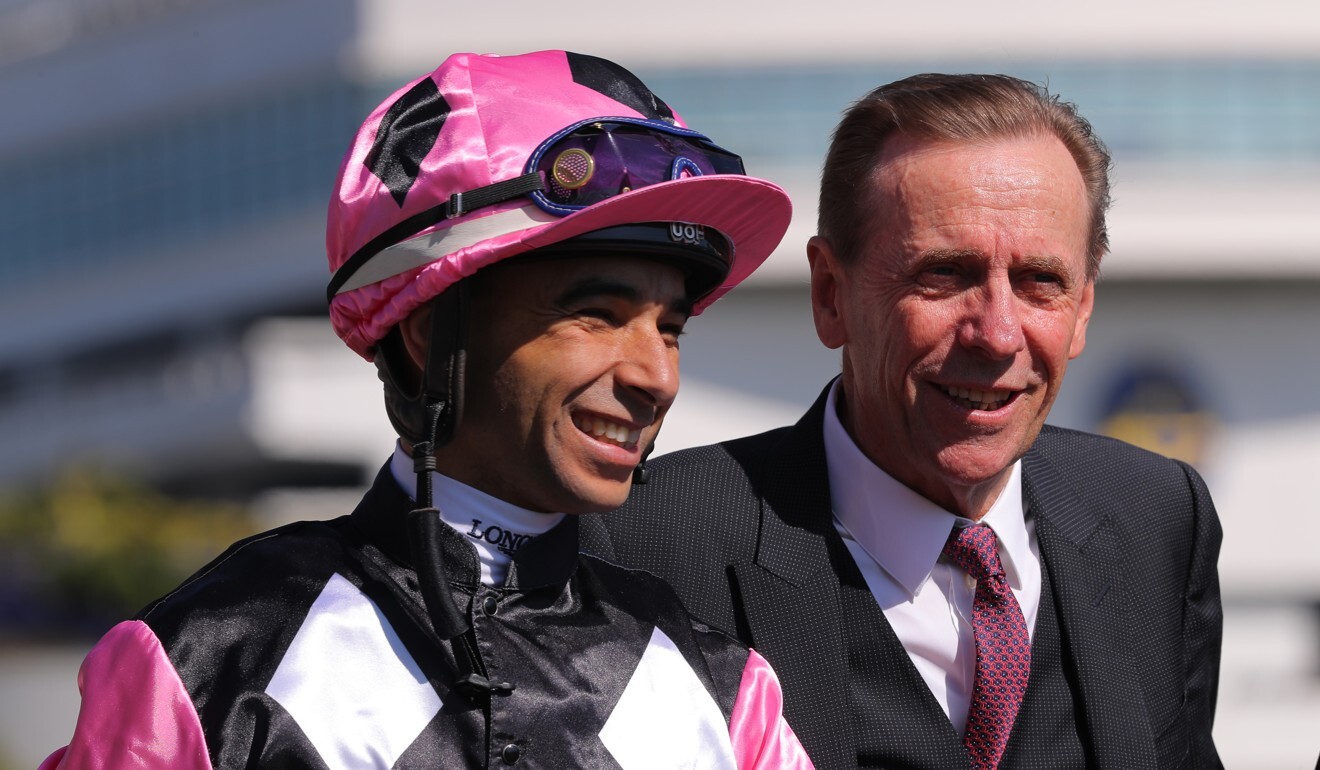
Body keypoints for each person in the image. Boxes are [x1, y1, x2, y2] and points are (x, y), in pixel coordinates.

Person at [40, 50, 814, 770]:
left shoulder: (726, 689)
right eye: (599, 315)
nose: (656, 376)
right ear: (425, 334)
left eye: (670, 329)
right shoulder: (208, 660)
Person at [583, 73, 1224, 769]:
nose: (999, 333)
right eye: (945, 275)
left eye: (1042, 281)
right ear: (831, 295)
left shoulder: (1157, 519)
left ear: (1083, 311)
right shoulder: (641, 547)